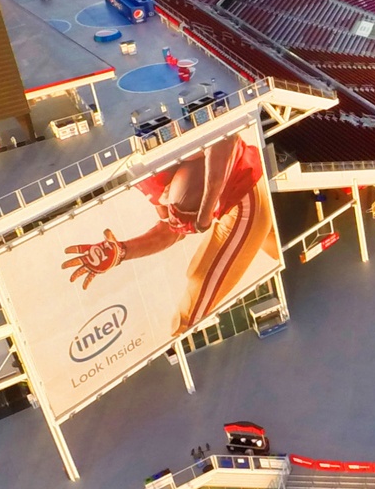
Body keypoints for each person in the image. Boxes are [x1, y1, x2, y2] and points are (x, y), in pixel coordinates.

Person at [60, 132, 276, 336]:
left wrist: (204, 214)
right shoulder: (143, 170)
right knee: (266, 245)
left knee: (194, 304)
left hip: (243, 199)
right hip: (233, 193)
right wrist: (122, 252)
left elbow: (224, 137)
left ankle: (177, 341)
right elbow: (168, 231)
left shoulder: (169, 148)